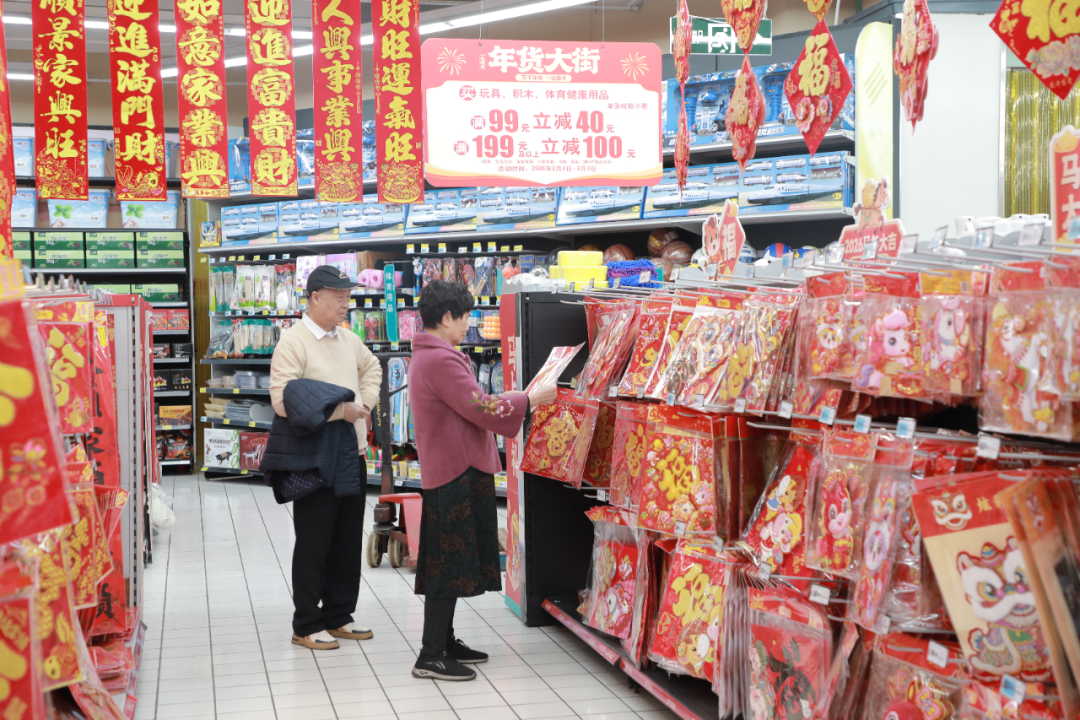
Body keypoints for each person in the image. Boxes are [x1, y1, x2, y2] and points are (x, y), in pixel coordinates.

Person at [408, 280, 557, 681]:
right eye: (465, 316)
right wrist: (530, 399)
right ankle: (430, 654)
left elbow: (470, 405)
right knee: (446, 564)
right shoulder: (440, 360)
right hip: (453, 471)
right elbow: (480, 407)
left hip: (455, 467)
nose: (468, 323)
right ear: (446, 317)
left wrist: (517, 398)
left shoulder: (434, 355)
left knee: (453, 562)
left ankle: (444, 641)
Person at [266, 265, 382, 650]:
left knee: (347, 541)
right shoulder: (294, 342)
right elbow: (282, 400)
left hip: (353, 452)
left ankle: (339, 615)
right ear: (315, 297)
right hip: (315, 456)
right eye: (338, 297)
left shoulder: (348, 339)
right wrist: (338, 412)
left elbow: (373, 368)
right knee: (314, 542)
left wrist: (364, 404)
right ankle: (306, 623)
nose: (346, 304)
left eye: (348, 297)